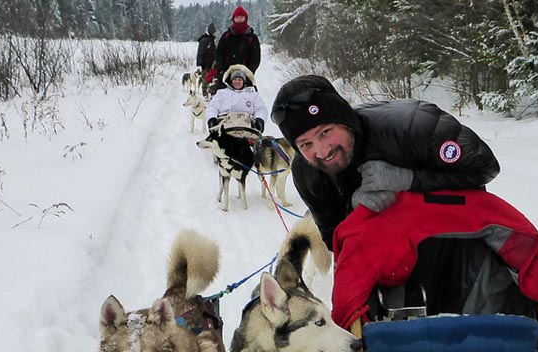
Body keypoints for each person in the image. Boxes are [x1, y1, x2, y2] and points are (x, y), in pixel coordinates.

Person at [270, 75, 501, 249]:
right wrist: (355, 212)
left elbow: (484, 166)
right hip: (388, 257)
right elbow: (335, 239)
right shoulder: (306, 172)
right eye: (306, 145)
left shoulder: (411, 126)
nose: (321, 151)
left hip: (457, 239)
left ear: (344, 120)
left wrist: (409, 181)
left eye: (325, 132)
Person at [205, 6, 261, 93]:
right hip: (226, 75)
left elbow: (255, 58)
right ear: (233, 19)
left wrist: (249, 71)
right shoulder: (226, 36)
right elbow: (219, 56)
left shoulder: (252, 38)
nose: (239, 20)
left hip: (245, 75)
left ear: (245, 19)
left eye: (241, 18)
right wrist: (222, 71)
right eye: (237, 18)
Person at [205, 65, 267, 133]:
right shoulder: (222, 93)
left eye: (240, 80)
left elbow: (260, 109)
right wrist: (211, 118)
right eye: (235, 79)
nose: (237, 82)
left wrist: (260, 119)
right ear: (231, 81)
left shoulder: (253, 94)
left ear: (244, 81)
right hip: (225, 124)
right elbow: (212, 107)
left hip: (247, 125)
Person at [196, 23, 217, 97]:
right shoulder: (204, 40)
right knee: (205, 81)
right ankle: (205, 95)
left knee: (212, 80)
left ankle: (211, 94)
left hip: (213, 65)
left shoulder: (212, 40)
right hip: (205, 65)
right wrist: (200, 64)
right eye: (214, 32)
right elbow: (200, 52)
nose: (215, 33)